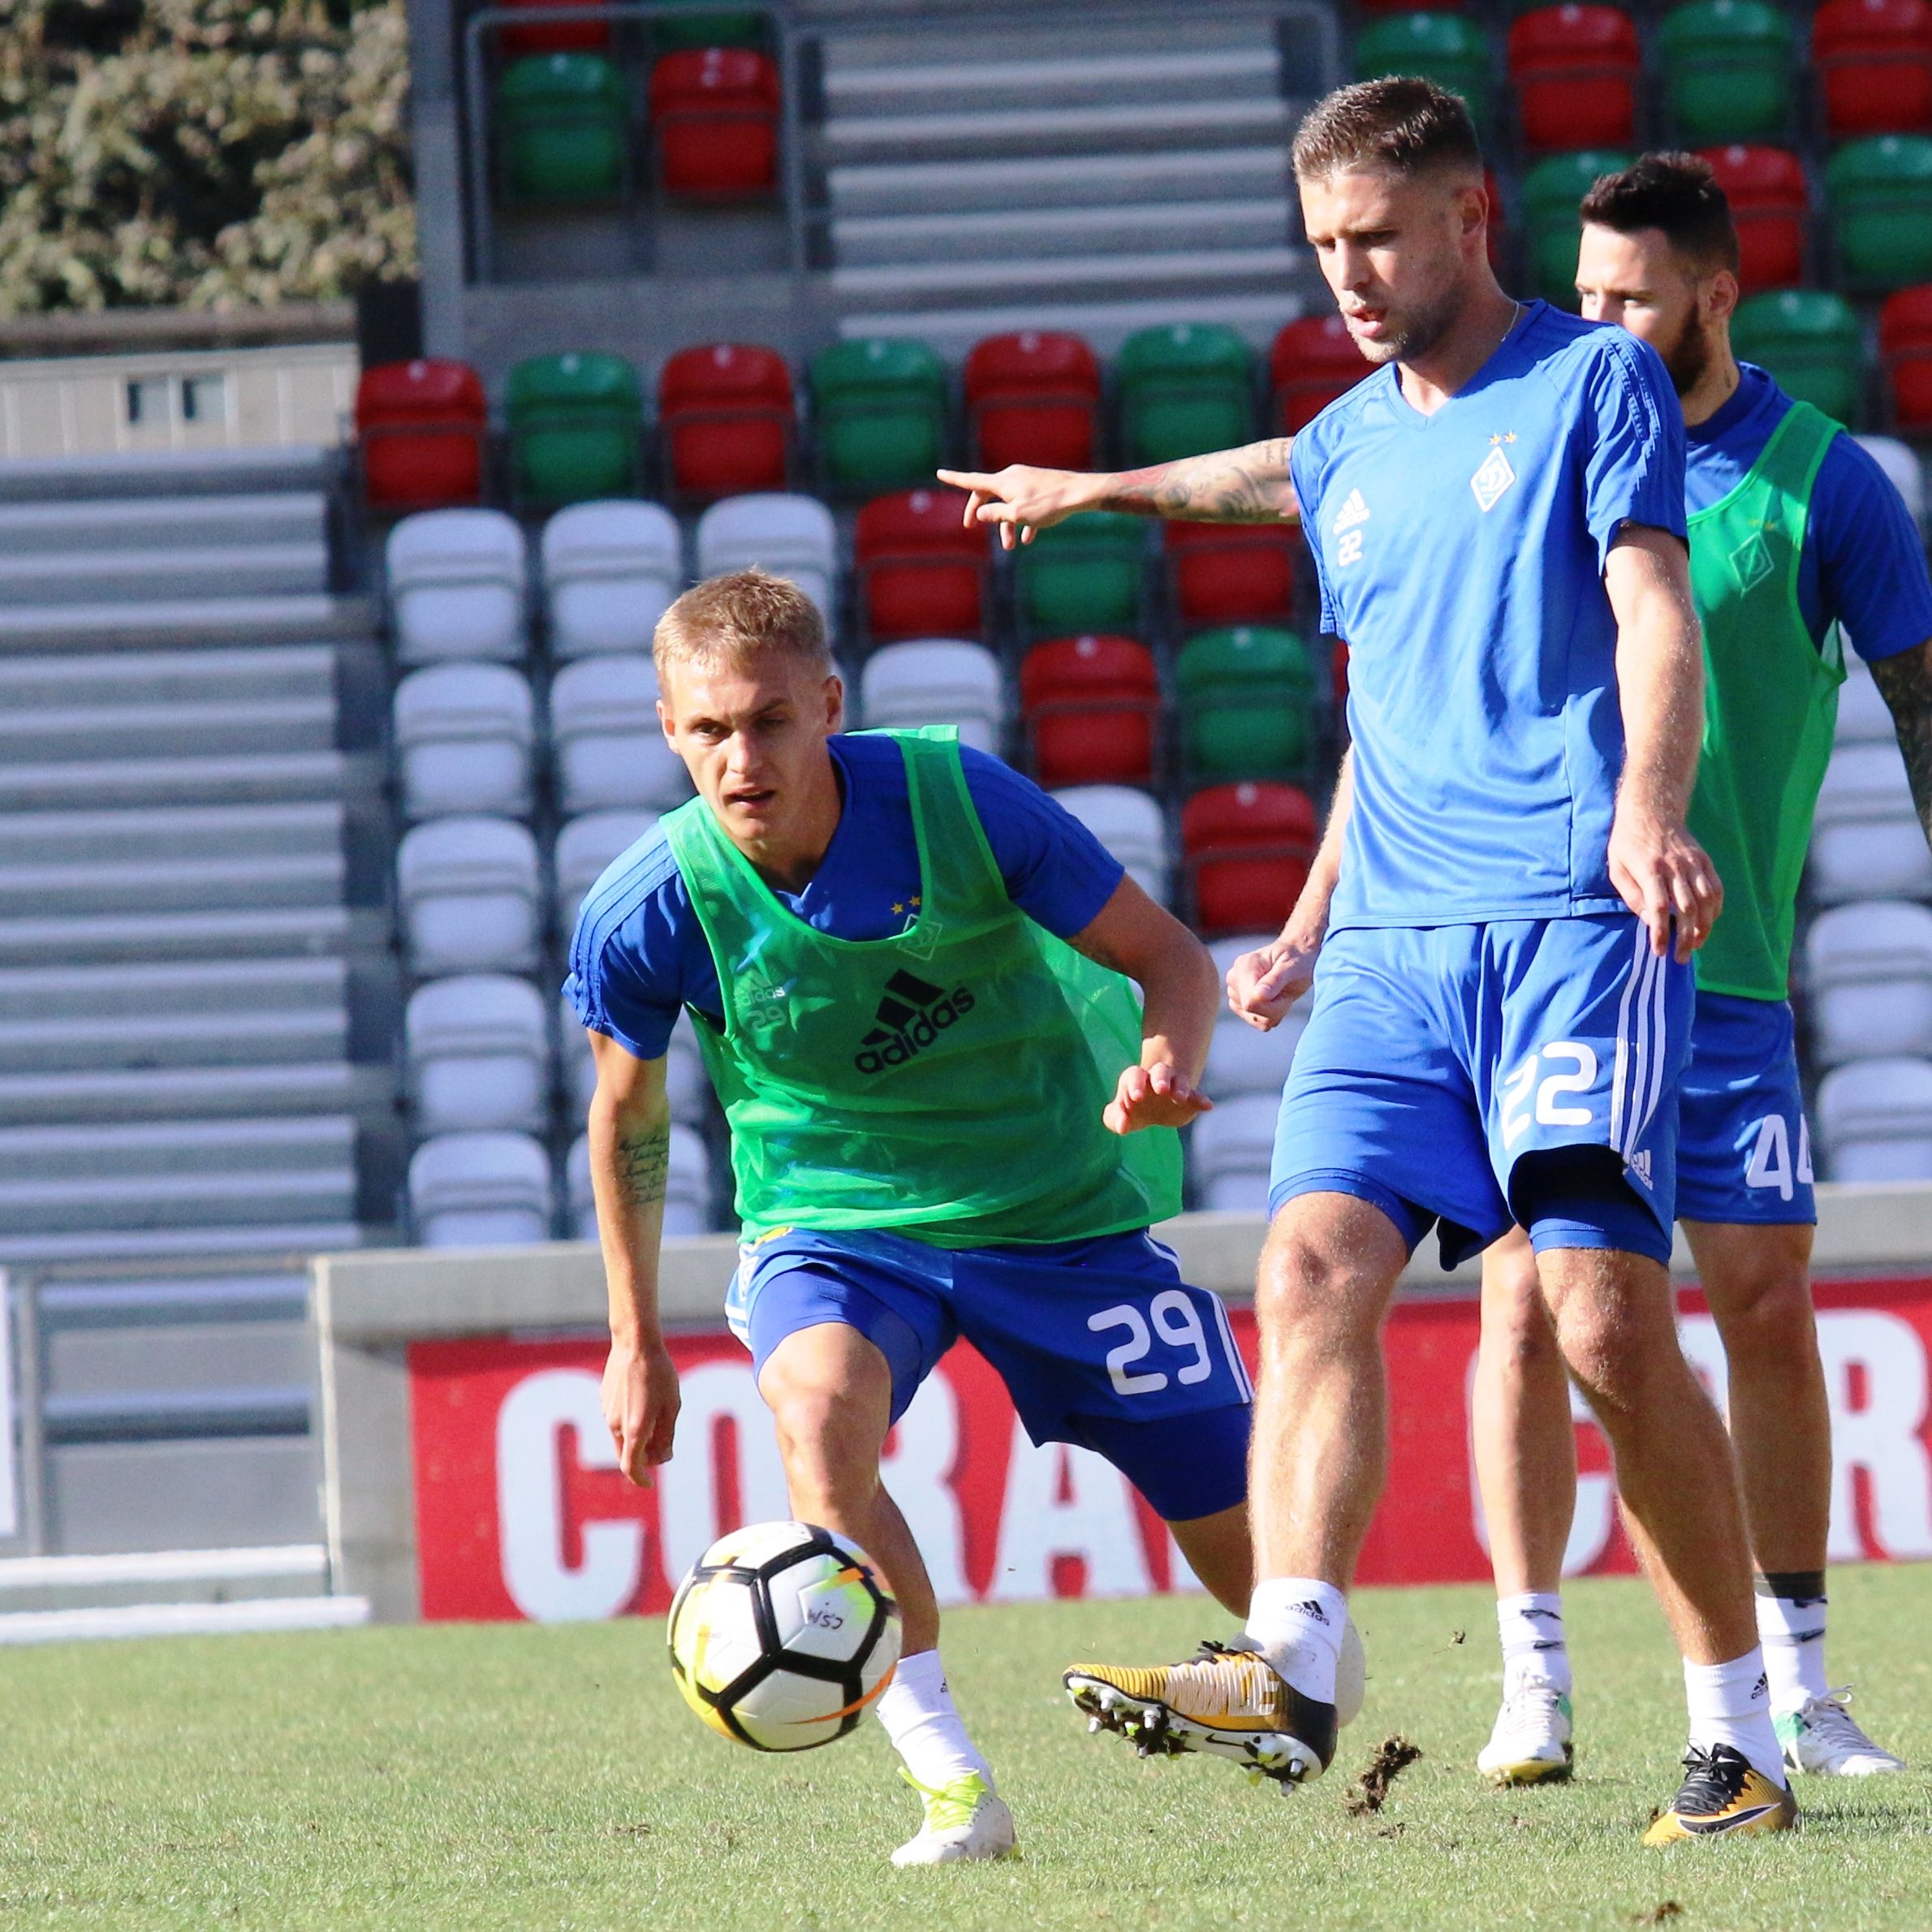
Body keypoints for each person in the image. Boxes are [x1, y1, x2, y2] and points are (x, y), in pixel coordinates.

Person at [942, 76, 1796, 1844]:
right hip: (1392, 957)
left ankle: (1738, 1726)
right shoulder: (1347, 443)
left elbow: (1651, 612)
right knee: (1310, 1261)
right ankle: (1294, 1658)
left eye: (1376, 236)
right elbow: (1370, 672)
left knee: (1600, 1321)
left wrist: (1645, 812)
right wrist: (1308, 927)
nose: (1344, 269)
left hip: (1569, 931)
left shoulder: (1592, 383)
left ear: (1467, 220)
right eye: (1322, 240)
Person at [567, 568, 1257, 1868]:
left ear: (828, 705)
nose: (741, 756)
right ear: (669, 729)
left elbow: (1169, 956)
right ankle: (955, 1787)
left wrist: (1166, 1063)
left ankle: (1298, 1678)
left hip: (1057, 1207)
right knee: (820, 1414)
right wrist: (630, 1335)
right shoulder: (647, 903)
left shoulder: (957, 799)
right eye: (709, 730)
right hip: (835, 1221)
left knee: (1245, 1539)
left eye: (770, 721)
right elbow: (629, 1118)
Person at [1467, 153, 1926, 1789]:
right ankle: (1532, 1678)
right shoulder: (1532, 441)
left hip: (1721, 968)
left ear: (1713, 297)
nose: (1593, 324)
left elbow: (1919, 703)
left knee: (1766, 1300)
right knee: (1523, 1303)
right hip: (1538, 955)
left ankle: (1798, 1685)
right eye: (1575, 294)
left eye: (1627, 299)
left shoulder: (1826, 482)